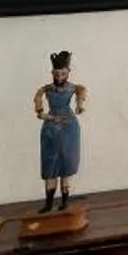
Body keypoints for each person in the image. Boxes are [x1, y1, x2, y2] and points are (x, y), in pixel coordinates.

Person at [33, 50, 88, 213]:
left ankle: (64, 202)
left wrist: (80, 104)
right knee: (50, 165)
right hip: (50, 129)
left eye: (63, 73)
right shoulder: (45, 90)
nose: (59, 77)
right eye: (57, 73)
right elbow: (39, 107)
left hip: (69, 128)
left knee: (67, 164)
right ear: (52, 73)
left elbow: (81, 93)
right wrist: (46, 115)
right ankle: (48, 203)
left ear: (68, 73)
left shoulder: (74, 88)